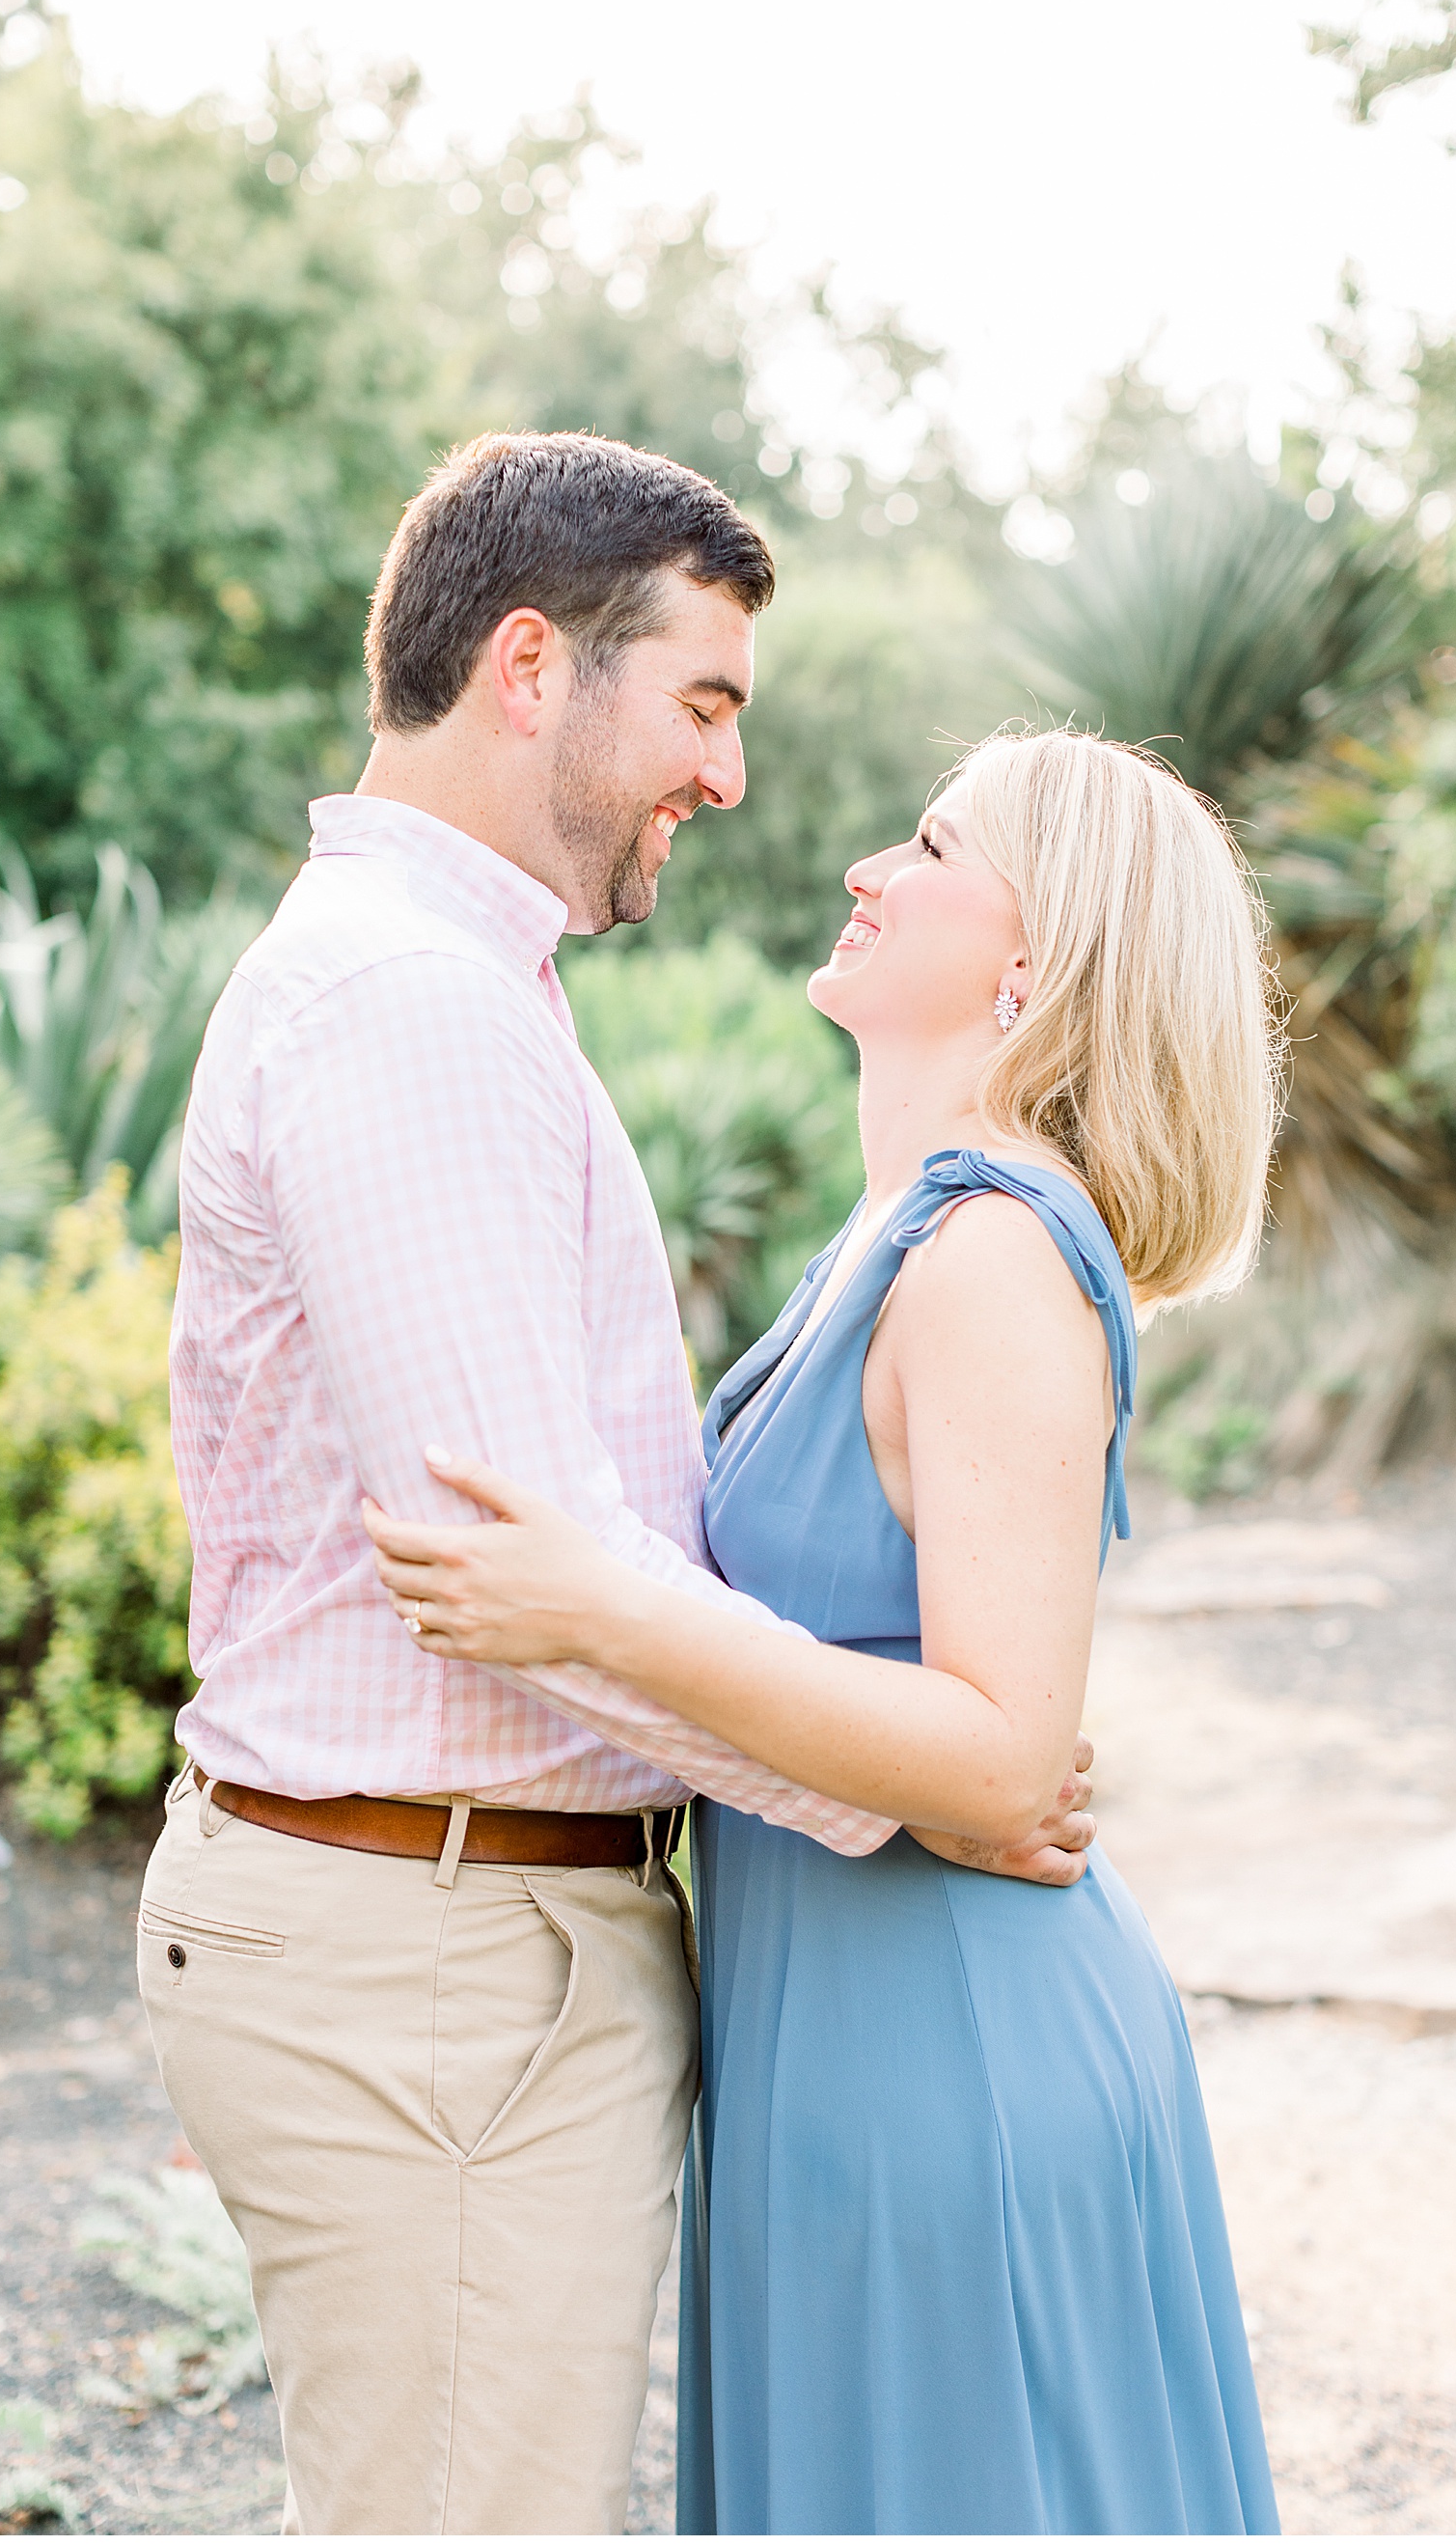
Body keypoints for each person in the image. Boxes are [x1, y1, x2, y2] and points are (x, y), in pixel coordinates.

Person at [140, 432, 1095, 2538]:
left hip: (456, 1937)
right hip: (435, 1955)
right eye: (704, 702)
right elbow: (523, 1577)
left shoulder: (454, 986)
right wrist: (934, 1783)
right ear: (525, 668)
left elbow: (573, 1571)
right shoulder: (415, 1004)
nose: (731, 777)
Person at [366, 728, 1286, 2535]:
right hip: (828, 2046)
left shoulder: (997, 1262)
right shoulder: (886, 1240)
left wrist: (600, 1611)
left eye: (930, 844)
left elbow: (1009, 1750)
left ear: (1030, 965)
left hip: (949, 2065)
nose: (871, 864)